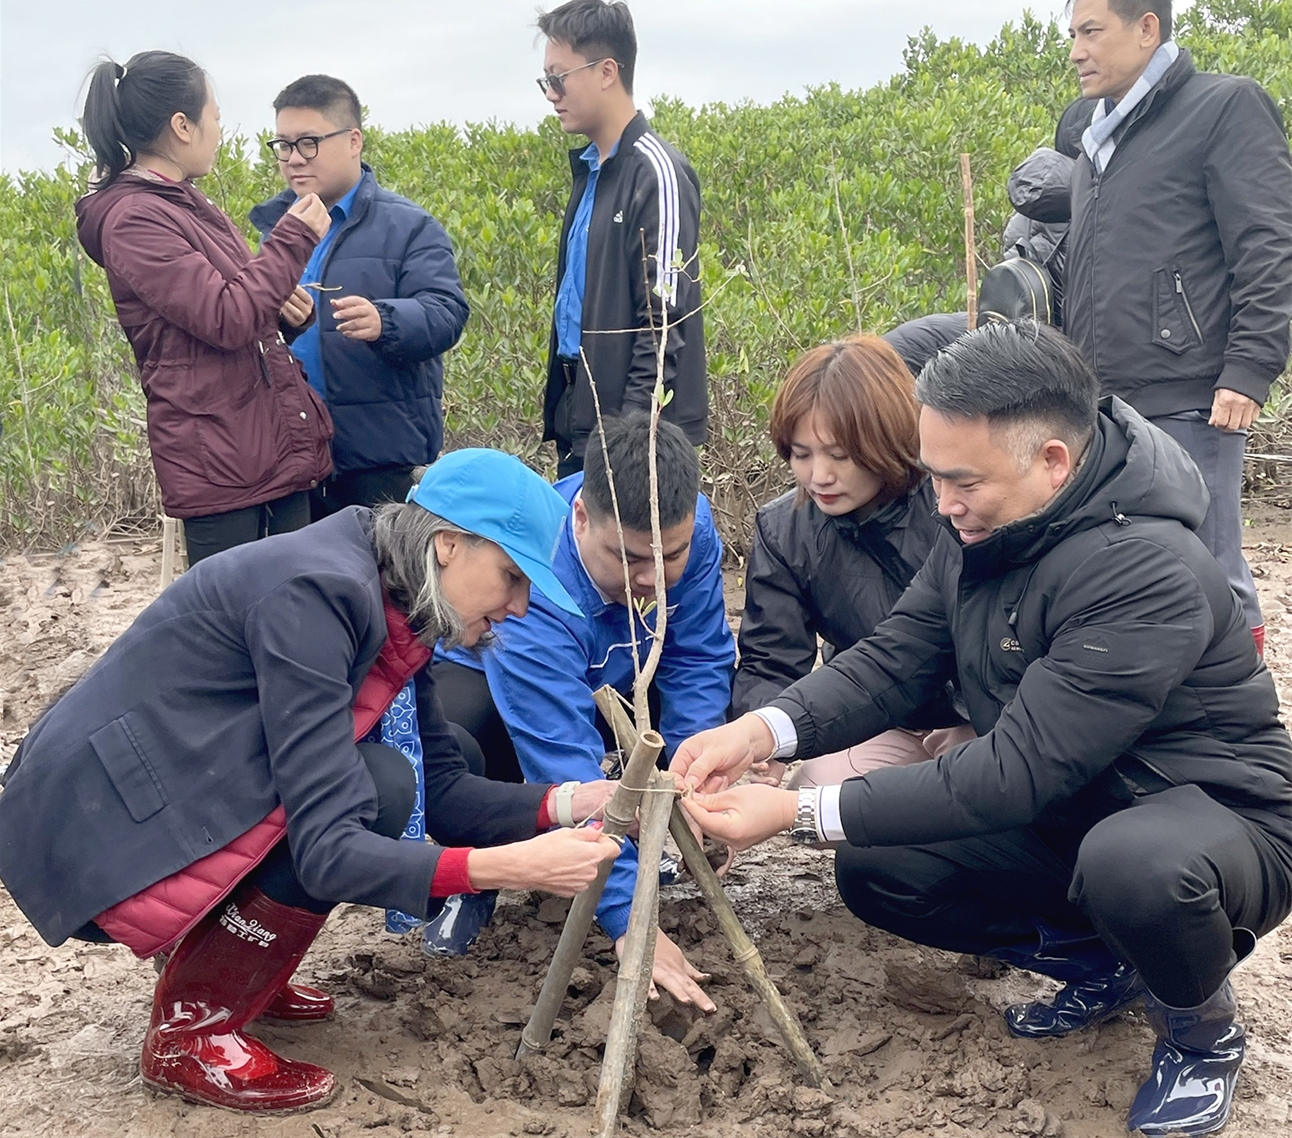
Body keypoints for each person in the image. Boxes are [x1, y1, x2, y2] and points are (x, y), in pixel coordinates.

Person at [674, 324, 1292, 1138]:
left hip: (1211, 819)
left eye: (962, 481)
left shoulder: (1143, 569)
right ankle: (1109, 967)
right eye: (934, 476)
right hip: (1076, 810)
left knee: (1135, 866)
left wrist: (795, 814)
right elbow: (891, 660)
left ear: (1052, 462)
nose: (941, 503)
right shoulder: (983, 531)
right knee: (879, 866)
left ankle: (1200, 1034)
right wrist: (760, 732)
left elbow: (1015, 772)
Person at [0, 449, 621, 1114]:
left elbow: (439, 787)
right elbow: (327, 851)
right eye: (511, 578)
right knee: (375, 791)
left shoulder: (393, 594)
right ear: (447, 545)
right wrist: (511, 867)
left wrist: (577, 801)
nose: (519, 607)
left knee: (397, 778)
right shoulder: (317, 595)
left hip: (162, 793)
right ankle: (193, 1033)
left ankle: (226, 961)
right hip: (98, 835)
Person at [436, 414, 731, 1009]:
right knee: (464, 729)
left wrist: (691, 777)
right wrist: (628, 919)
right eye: (628, 558)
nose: (650, 578)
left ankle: (620, 848)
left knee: (667, 702)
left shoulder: (688, 531)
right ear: (579, 519)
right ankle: (483, 868)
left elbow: (698, 658)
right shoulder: (534, 585)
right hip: (499, 694)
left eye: (668, 557)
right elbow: (557, 751)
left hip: (615, 685)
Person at [1060, 0, 1292, 657]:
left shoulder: (1223, 107)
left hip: (1192, 393)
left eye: (1091, 31)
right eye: (1072, 35)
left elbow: (1268, 243)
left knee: (1210, 565)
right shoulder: (1094, 139)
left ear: (1147, 28)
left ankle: (1246, 707)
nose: (1076, 52)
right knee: (1123, 567)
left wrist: (1249, 367)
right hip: (1102, 398)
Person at [75, 51, 334, 564]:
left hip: (260, 450)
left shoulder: (185, 204)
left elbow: (233, 311)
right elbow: (226, 318)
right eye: (214, 117)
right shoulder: (135, 220)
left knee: (293, 602)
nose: (219, 131)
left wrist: (283, 315)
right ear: (182, 126)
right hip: (221, 464)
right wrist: (295, 238)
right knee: (236, 610)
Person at [733, 335, 970, 786]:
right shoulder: (785, 530)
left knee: (973, 795)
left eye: (840, 456)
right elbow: (771, 660)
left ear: (886, 439)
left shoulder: (953, 505)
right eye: (801, 454)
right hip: (882, 718)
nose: (819, 476)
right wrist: (765, 739)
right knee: (811, 793)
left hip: (977, 718)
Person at [251, 75, 469, 517]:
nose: (294, 159)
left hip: (380, 458)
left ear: (354, 141)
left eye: (309, 142)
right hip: (294, 459)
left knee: (382, 564)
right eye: (284, 145)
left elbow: (447, 312)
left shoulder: (410, 226)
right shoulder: (276, 230)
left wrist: (385, 321)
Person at [537, 0, 707, 477]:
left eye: (558, 77)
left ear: (607, 71)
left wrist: (631, 439)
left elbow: (664, 323)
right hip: (582, 421)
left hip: (635, 439)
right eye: (545, 81)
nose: (551, 94)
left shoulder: (656, 172)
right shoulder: (593, 171)